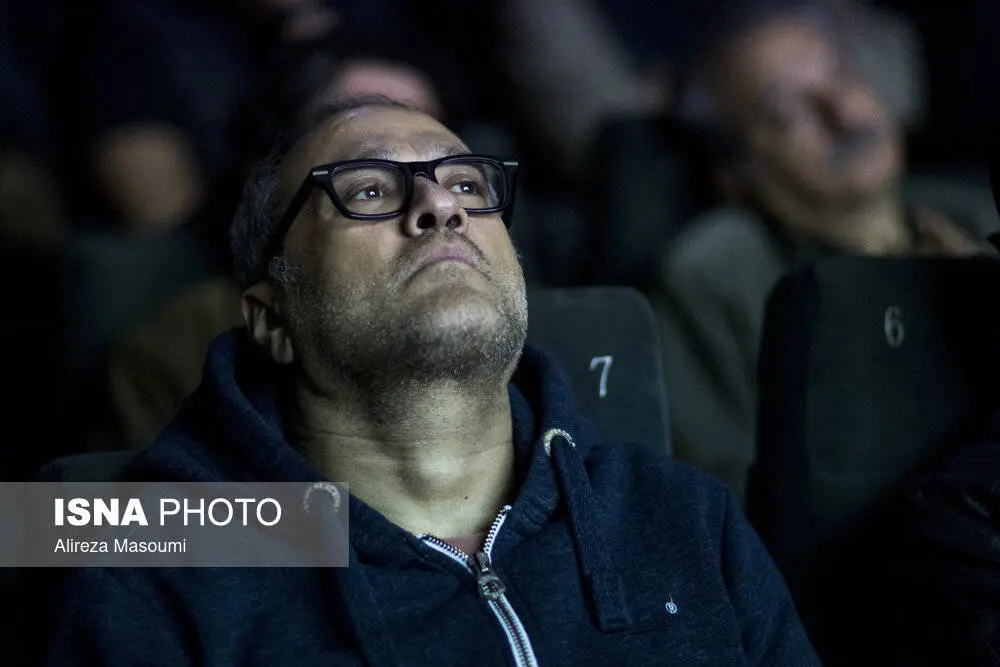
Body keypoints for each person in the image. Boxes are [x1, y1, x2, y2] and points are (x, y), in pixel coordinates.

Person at [40, 96, 818, 665]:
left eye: (469, 185)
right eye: (368, 189)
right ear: (273, 319)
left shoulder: (685, 515)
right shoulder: (155, 575)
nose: (441, 204)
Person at [656, 2, 994, 501]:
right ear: (736, 177)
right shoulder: (718, 276)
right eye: (786, 113)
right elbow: (723, 496)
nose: (841, 111)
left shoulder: (979, 217)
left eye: (841, 75)